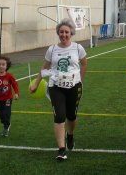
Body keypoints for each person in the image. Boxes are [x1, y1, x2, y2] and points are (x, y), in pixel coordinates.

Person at [30, 19, 87, 161]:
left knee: (71, 116)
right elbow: (44, 68)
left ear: (71, 33)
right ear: (58, 33)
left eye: (66, 32)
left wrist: (80, 80)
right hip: (55, 86)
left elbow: (84, 64)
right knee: (59, 116)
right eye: (61, 32)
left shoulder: (78, 48)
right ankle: (61, 149)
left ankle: (70, 135)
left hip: (74, 86)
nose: (64, 34)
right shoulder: (52, 49)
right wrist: (36, 84)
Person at [0, 54, 19, 137]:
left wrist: (16, 93)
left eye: (3, 64)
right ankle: (5, 123)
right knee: (1, 115)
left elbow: (15, 85)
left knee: (6, 113)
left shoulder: (9, 76)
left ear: (7, 65)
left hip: (8, 98)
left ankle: (6, 127)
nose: (1, 66)